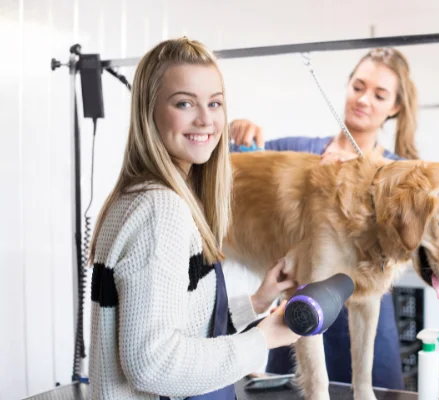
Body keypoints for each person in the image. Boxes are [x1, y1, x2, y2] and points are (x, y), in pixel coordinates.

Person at [86, 37, 300, 400]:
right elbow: (153, 363)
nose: (206, 119)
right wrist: (265, 338)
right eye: (184, 103)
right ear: (148, 110)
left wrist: (258, 302)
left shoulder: (138, 195)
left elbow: (178, 326)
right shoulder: (160, 209)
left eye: (214, 103)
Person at [229, 47, 420, 390]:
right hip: (301, 313)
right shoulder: (300, 152)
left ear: (394, 108)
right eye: (358, 87)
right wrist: (240, 133)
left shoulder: (397, 175)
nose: (364, 100)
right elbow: (236, 165)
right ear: (347, 87)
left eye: (379, 95)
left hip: (367, 321)